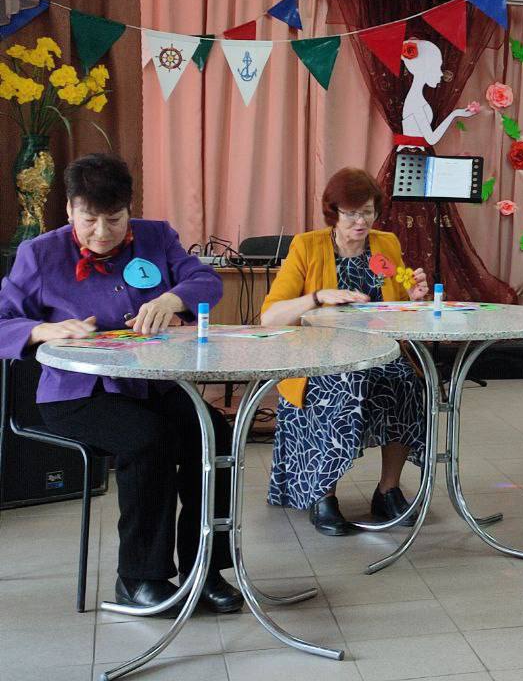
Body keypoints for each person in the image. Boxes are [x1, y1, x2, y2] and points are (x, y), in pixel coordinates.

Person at [0, 154, 242, 615]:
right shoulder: (40, 254)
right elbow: (2, 321)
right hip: (77, 394)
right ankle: (139, 578)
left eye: (114, 220)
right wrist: (42, 330)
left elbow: (205, 281)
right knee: (147, 441)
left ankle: (205, 569)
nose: (102, 233)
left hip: (153, 384)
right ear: (69, 210)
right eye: (89, 220)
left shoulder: (156, 237)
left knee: (213, 435)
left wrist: (172, 298)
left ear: (130, 209)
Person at [261, 167, 430, 535]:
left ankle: (387, 491)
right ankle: (324, 495)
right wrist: (317, 297)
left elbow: (400, 304)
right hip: (320, 359)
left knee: (406, 383)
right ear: (333, 213)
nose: (361, 221)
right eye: (351, 213)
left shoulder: (386, 244)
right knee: (342, 386)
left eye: (367, 212)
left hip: (378, 354)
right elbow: (270, 315)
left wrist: (414, 297)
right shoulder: (306, 246)